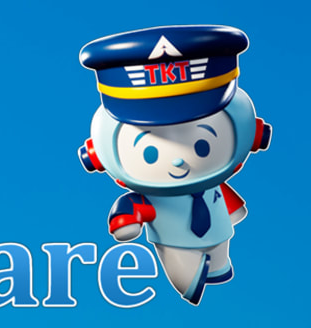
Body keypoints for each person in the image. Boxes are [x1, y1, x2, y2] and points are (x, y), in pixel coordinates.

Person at [77, 25, 273, 304]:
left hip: (219, 234)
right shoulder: (148, 194)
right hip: (174, 244)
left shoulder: (216, 177)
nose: (179, 160)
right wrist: (127, 222)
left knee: (220, 259)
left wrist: (234, 211)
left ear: (253, 135)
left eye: (201, 145)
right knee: (185, 273)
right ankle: (190, 281)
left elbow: (224, 200)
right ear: (97, 154)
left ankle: (218, 268)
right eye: (151, 152)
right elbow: (130, 213)